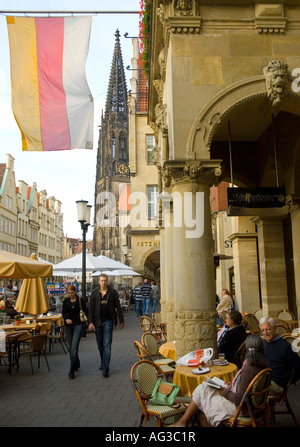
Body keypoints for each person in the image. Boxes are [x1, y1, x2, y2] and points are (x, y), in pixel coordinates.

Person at [174, 335, 268, 427]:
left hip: (241, 409)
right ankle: (183, 422)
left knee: (202, 395)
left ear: (247, 350)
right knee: (204, 388)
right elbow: (248, 387)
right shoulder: (262, 366)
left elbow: (239, 399)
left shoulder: (249, 369)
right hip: (255, 407)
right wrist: (233, 384)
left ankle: (183, 422)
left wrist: (224, 392)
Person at [88, 274, 125, 377]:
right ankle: (103, 361)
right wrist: (90, 322)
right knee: (100, 345)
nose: (103, 282)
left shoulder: (112, 292)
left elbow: (118, 306)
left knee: (107, 344)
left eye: (105, 281)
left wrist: (121, 320)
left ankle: (105, 368)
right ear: (99, 282)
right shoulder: (95, 293)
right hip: (97, 321)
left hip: (108, 320)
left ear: (107, 281)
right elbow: (91, 309)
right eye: (101, 281)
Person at [259, 316, 300, 396]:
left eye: (268, 329)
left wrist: (289, 382)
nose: (265, 333)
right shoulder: (262, 344)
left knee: (252, 392)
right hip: (264, 379)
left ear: (275, 328)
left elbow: (298, 366)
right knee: (244, 385)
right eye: (263, 330)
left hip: (277, 384)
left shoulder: (285, 346)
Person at [62, 284, 88, 380]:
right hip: (68, 326)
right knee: (71, 347)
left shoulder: (80, 300)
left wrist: (85, 321)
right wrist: (66, 319)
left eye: (72, 293)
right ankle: (76, 363)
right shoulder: (66, 301)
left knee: (74, 347)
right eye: (68, 293)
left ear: (75, 292)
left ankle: (71, 370)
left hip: (78, 325)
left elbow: (85, 311)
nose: (70, 295)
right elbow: (63, 313)